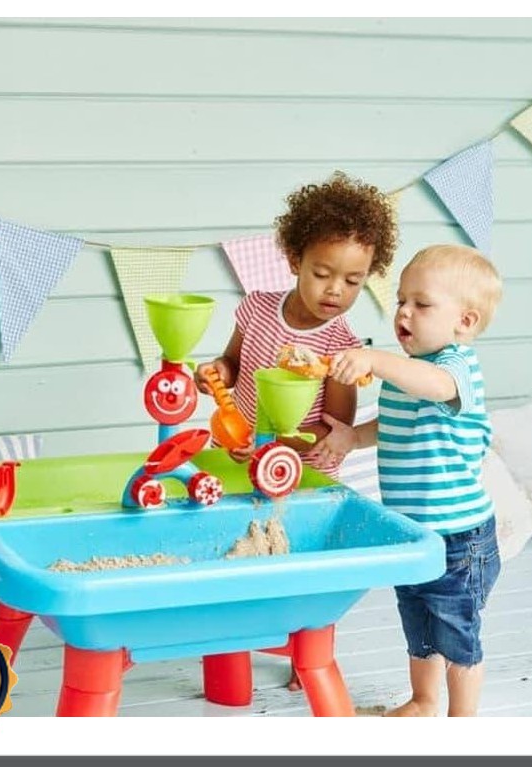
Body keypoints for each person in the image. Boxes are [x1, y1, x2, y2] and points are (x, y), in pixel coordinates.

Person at [195, 171, 398, 691]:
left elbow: (337, 424)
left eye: (352, 281)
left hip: (301, 470)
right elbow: (234, 365)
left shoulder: (342, 343)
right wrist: (215, 371)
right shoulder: (258, 308)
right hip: (239, 454)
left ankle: (303, 653)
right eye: (322, 272)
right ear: (294, 261)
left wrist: (292, 448)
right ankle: (231, 640)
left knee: (297, 560)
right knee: (236, 545)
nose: (335, 290)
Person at [312, 243, 503, 716]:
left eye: (422, 304)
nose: (404, 311)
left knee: (456, 632)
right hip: (414, 532)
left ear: (466, 322)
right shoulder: (407, 375)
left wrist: (373, 360)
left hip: (459, 539)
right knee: (418, 625)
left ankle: (461, 719)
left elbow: (433, 387)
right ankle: (422, 700)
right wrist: (353, 438)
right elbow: (399, 422)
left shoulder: (455, 368)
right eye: (400, 300)